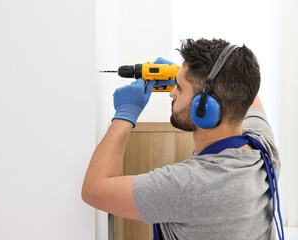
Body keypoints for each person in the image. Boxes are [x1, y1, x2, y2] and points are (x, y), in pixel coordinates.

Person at [81, 38, 281, 239]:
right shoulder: (264, 148)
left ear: (204, 108)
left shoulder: (188, 185)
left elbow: (93, 189)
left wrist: (125, 115)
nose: (172, 94)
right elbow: (246, 90)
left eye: (179, 87)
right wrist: (184, 75)